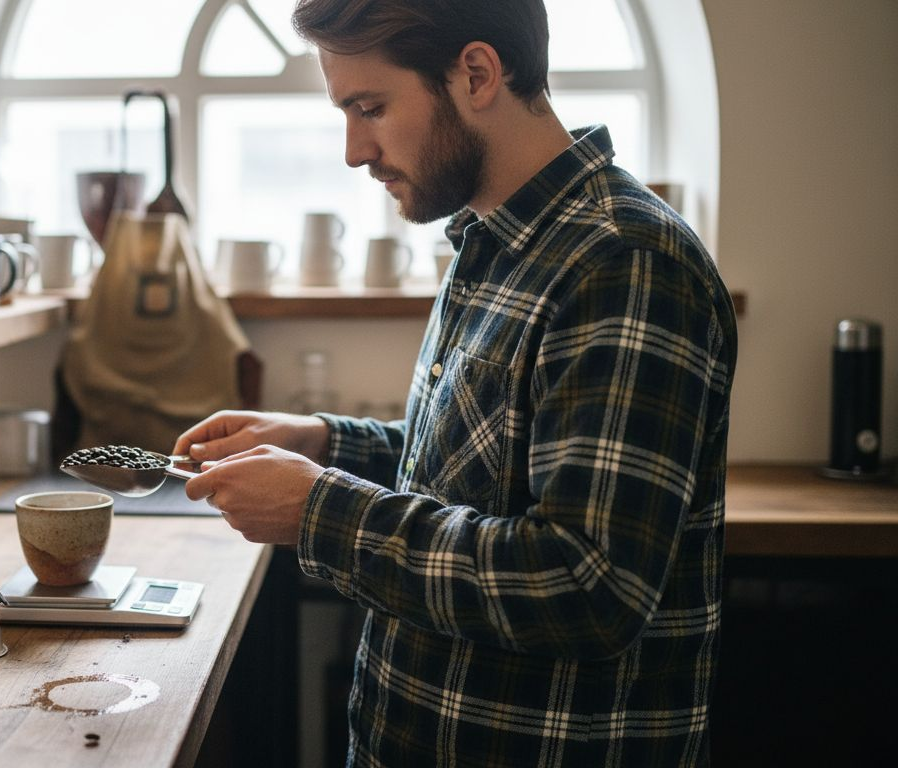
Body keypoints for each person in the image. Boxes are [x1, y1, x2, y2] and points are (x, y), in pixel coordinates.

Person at [172, 0, 738, 765]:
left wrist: (319, 508)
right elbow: (484, 465)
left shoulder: (625, 262)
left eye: (369, 107)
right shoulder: (492, 238)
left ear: (476, 73)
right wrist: (323, 441)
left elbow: (585, 585)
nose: (353, 151)